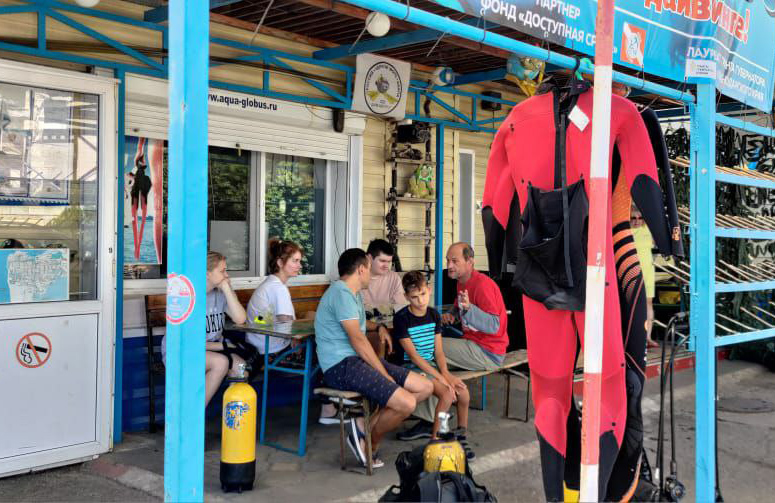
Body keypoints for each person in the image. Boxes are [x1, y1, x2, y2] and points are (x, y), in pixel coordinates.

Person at [315, 248, 433, 468]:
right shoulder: (341, 293)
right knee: (406, 403)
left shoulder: (352, 294)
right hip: (341, 367)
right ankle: (369, 443)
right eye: (369, 269)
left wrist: (378, 327)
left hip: (355, 362)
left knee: (425, 387)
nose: (371, 274)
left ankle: (363, 428)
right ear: (361, 269)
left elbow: (359, 325)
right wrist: (384, 374)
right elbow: (358, 339)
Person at [399, 242, 509, 440]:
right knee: (431, 358)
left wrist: (468, 309)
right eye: (448, 260)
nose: (449, 265)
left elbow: (494, 325)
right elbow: (460, 307)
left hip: (488, 352)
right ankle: (433, 415)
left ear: (470, 261)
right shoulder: (462, 281)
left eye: (455, 261)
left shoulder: (483, 285)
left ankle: (429, 420)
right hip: (472, 343)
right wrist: (452, 314)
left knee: (427, 350)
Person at [161, 251, 248, 406]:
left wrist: (227, 289)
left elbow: (240, 318)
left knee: (241, 369)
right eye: (222, 271)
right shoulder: (188, 296)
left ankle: (234, 417)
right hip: (180, 353)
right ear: (207, 273)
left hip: (212, 350)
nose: (227, 275)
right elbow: (188, 344)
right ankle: (194, 412)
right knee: (220, 363)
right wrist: (224, 346)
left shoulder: (220, 292)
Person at [392, 271, 470, 439]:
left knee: (463, 392)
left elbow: (439, 351)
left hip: (430, 364)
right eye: (414, 297)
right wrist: (440, 378)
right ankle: (436, 437)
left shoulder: (434, 315)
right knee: (447, 394)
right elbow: (414, 356)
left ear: (429, 290)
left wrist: (446, 373)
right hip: (410, 367)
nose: (420, 301)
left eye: (423, 294)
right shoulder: (401, 318)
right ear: (406, 297)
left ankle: (461, 433)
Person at [246, 239, 310, 356]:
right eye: (295, 261)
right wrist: (297, 338)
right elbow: (287, 326)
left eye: (299, 261)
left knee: (310, 315)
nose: (300, 266)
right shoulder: (277, 288)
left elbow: (271, 319)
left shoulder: (272, 284)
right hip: (272, 349)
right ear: (280, 263)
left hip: (260, 345)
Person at [631, 207, 660, 349]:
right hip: (632, 272)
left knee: (648, 303)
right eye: (633, 218)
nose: (637, 221)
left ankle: (648, 336)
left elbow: (654, 213)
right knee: (632, 304)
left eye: (640, 218)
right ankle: (634, 337)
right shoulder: (626, 231)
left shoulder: (648, 229)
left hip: (647, 272)